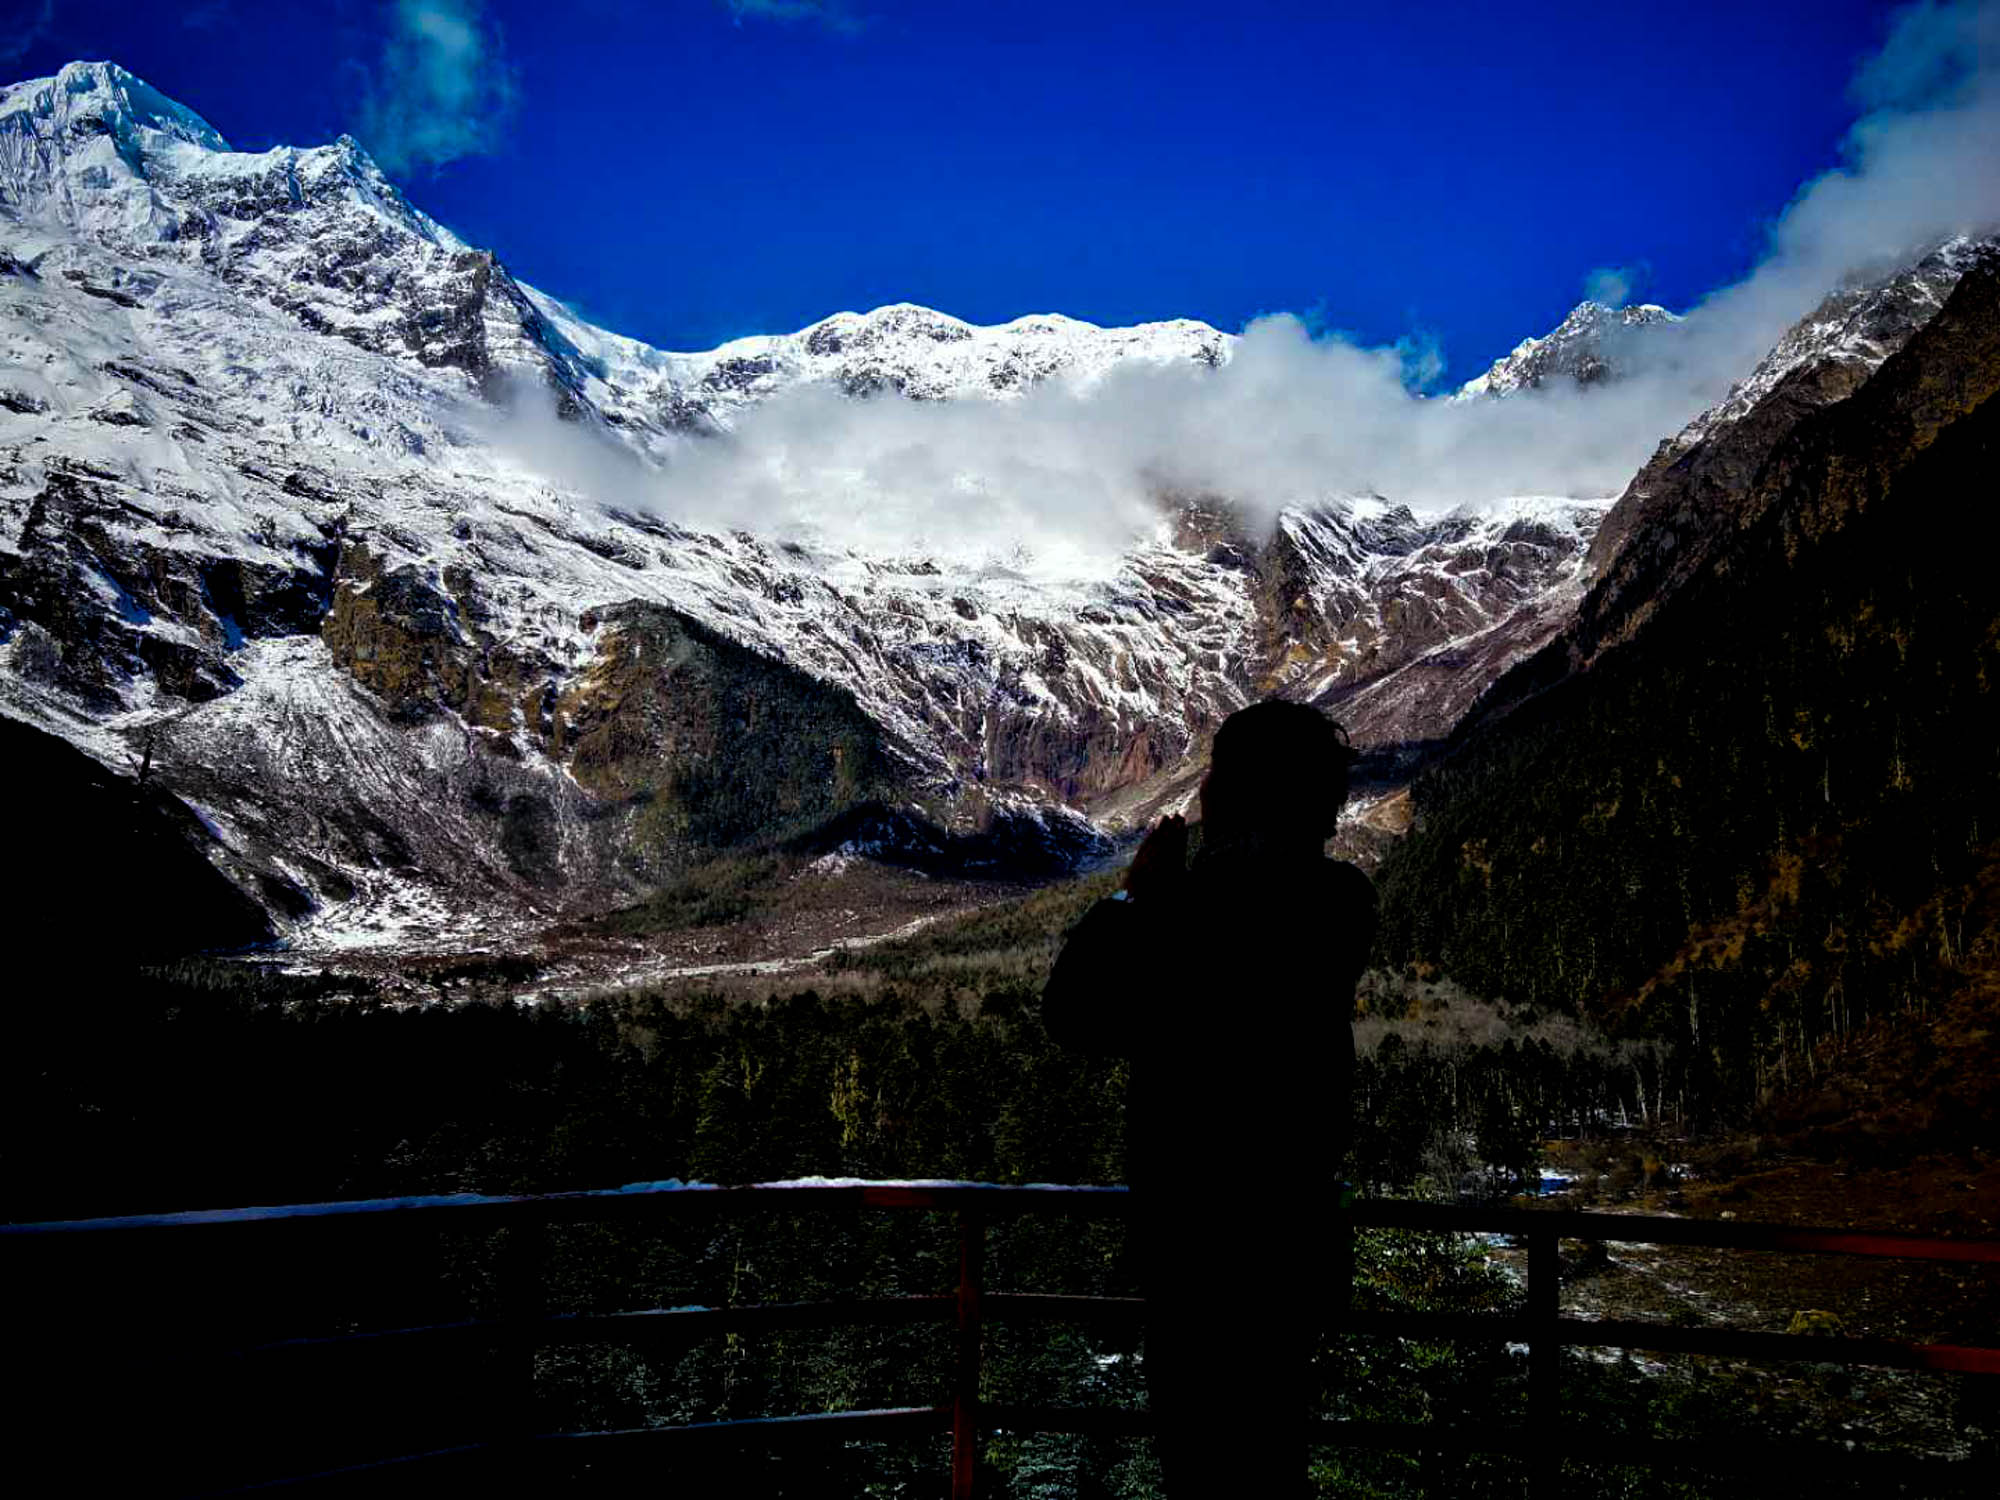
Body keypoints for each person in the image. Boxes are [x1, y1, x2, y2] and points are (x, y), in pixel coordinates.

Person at [1041, 699, 1375, 1497]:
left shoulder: (1188, 915)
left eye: (1216, 783)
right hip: (1289, 1259)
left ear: (1234, 797)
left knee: (1203, 1471)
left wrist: (1137, 898)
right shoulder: (1340, 902)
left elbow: (1074, 1013)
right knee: (1270, 1466)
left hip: (1194, 1258)